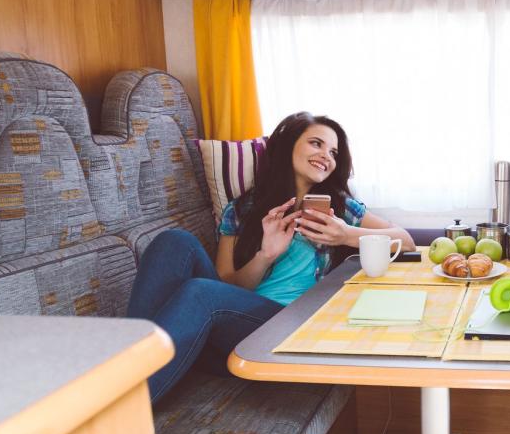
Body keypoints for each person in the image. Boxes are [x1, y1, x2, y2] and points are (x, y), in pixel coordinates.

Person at [128, 111, 414, 403]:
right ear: (288, 145)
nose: (326, 156)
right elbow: (229, 287)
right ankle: (123, 368)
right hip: (235, 328)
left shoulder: (341, 211)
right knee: (174, 241)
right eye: (316, 143)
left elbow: (406, 241)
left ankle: (126, 400)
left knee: (200, 292)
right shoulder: (243, 210)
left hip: (290, 327)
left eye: (333, 152)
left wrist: (346, 236)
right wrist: (266, 255)